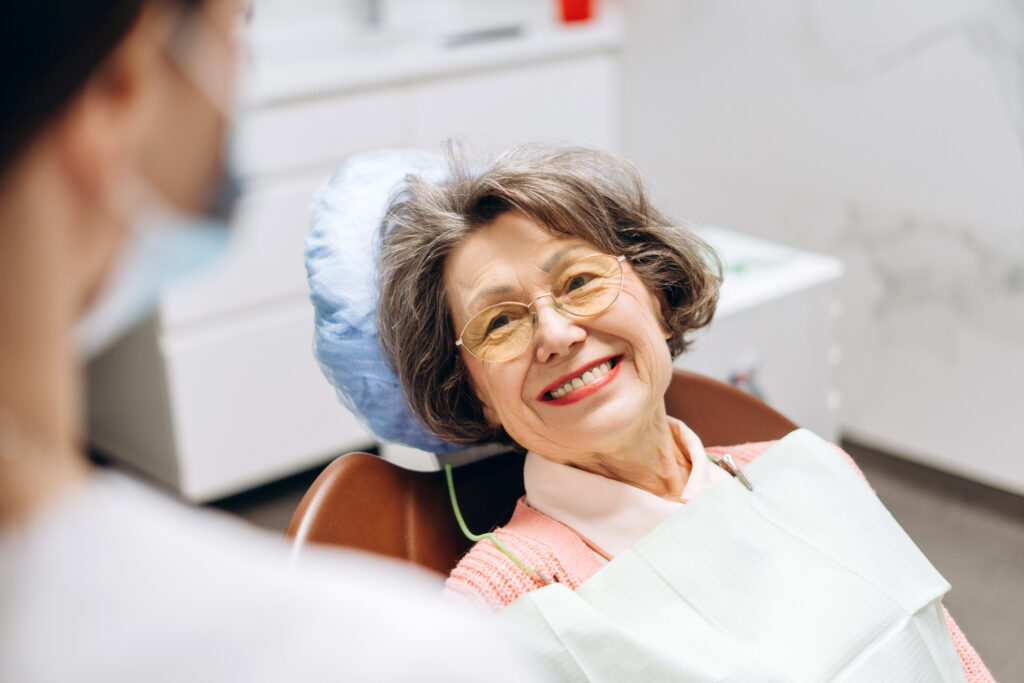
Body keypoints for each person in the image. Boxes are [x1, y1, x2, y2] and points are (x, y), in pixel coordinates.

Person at [0, 2, 544, 681]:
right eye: (243, 34)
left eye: (580, 279)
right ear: (123, 86)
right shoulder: (409, 656)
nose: (559, 331)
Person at [375, 144, 995, 681]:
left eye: (580, 280)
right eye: (500, 321)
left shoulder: (811, 476)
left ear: (655, 288)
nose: (558, 333)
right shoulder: (493, 609)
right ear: (471, 390)